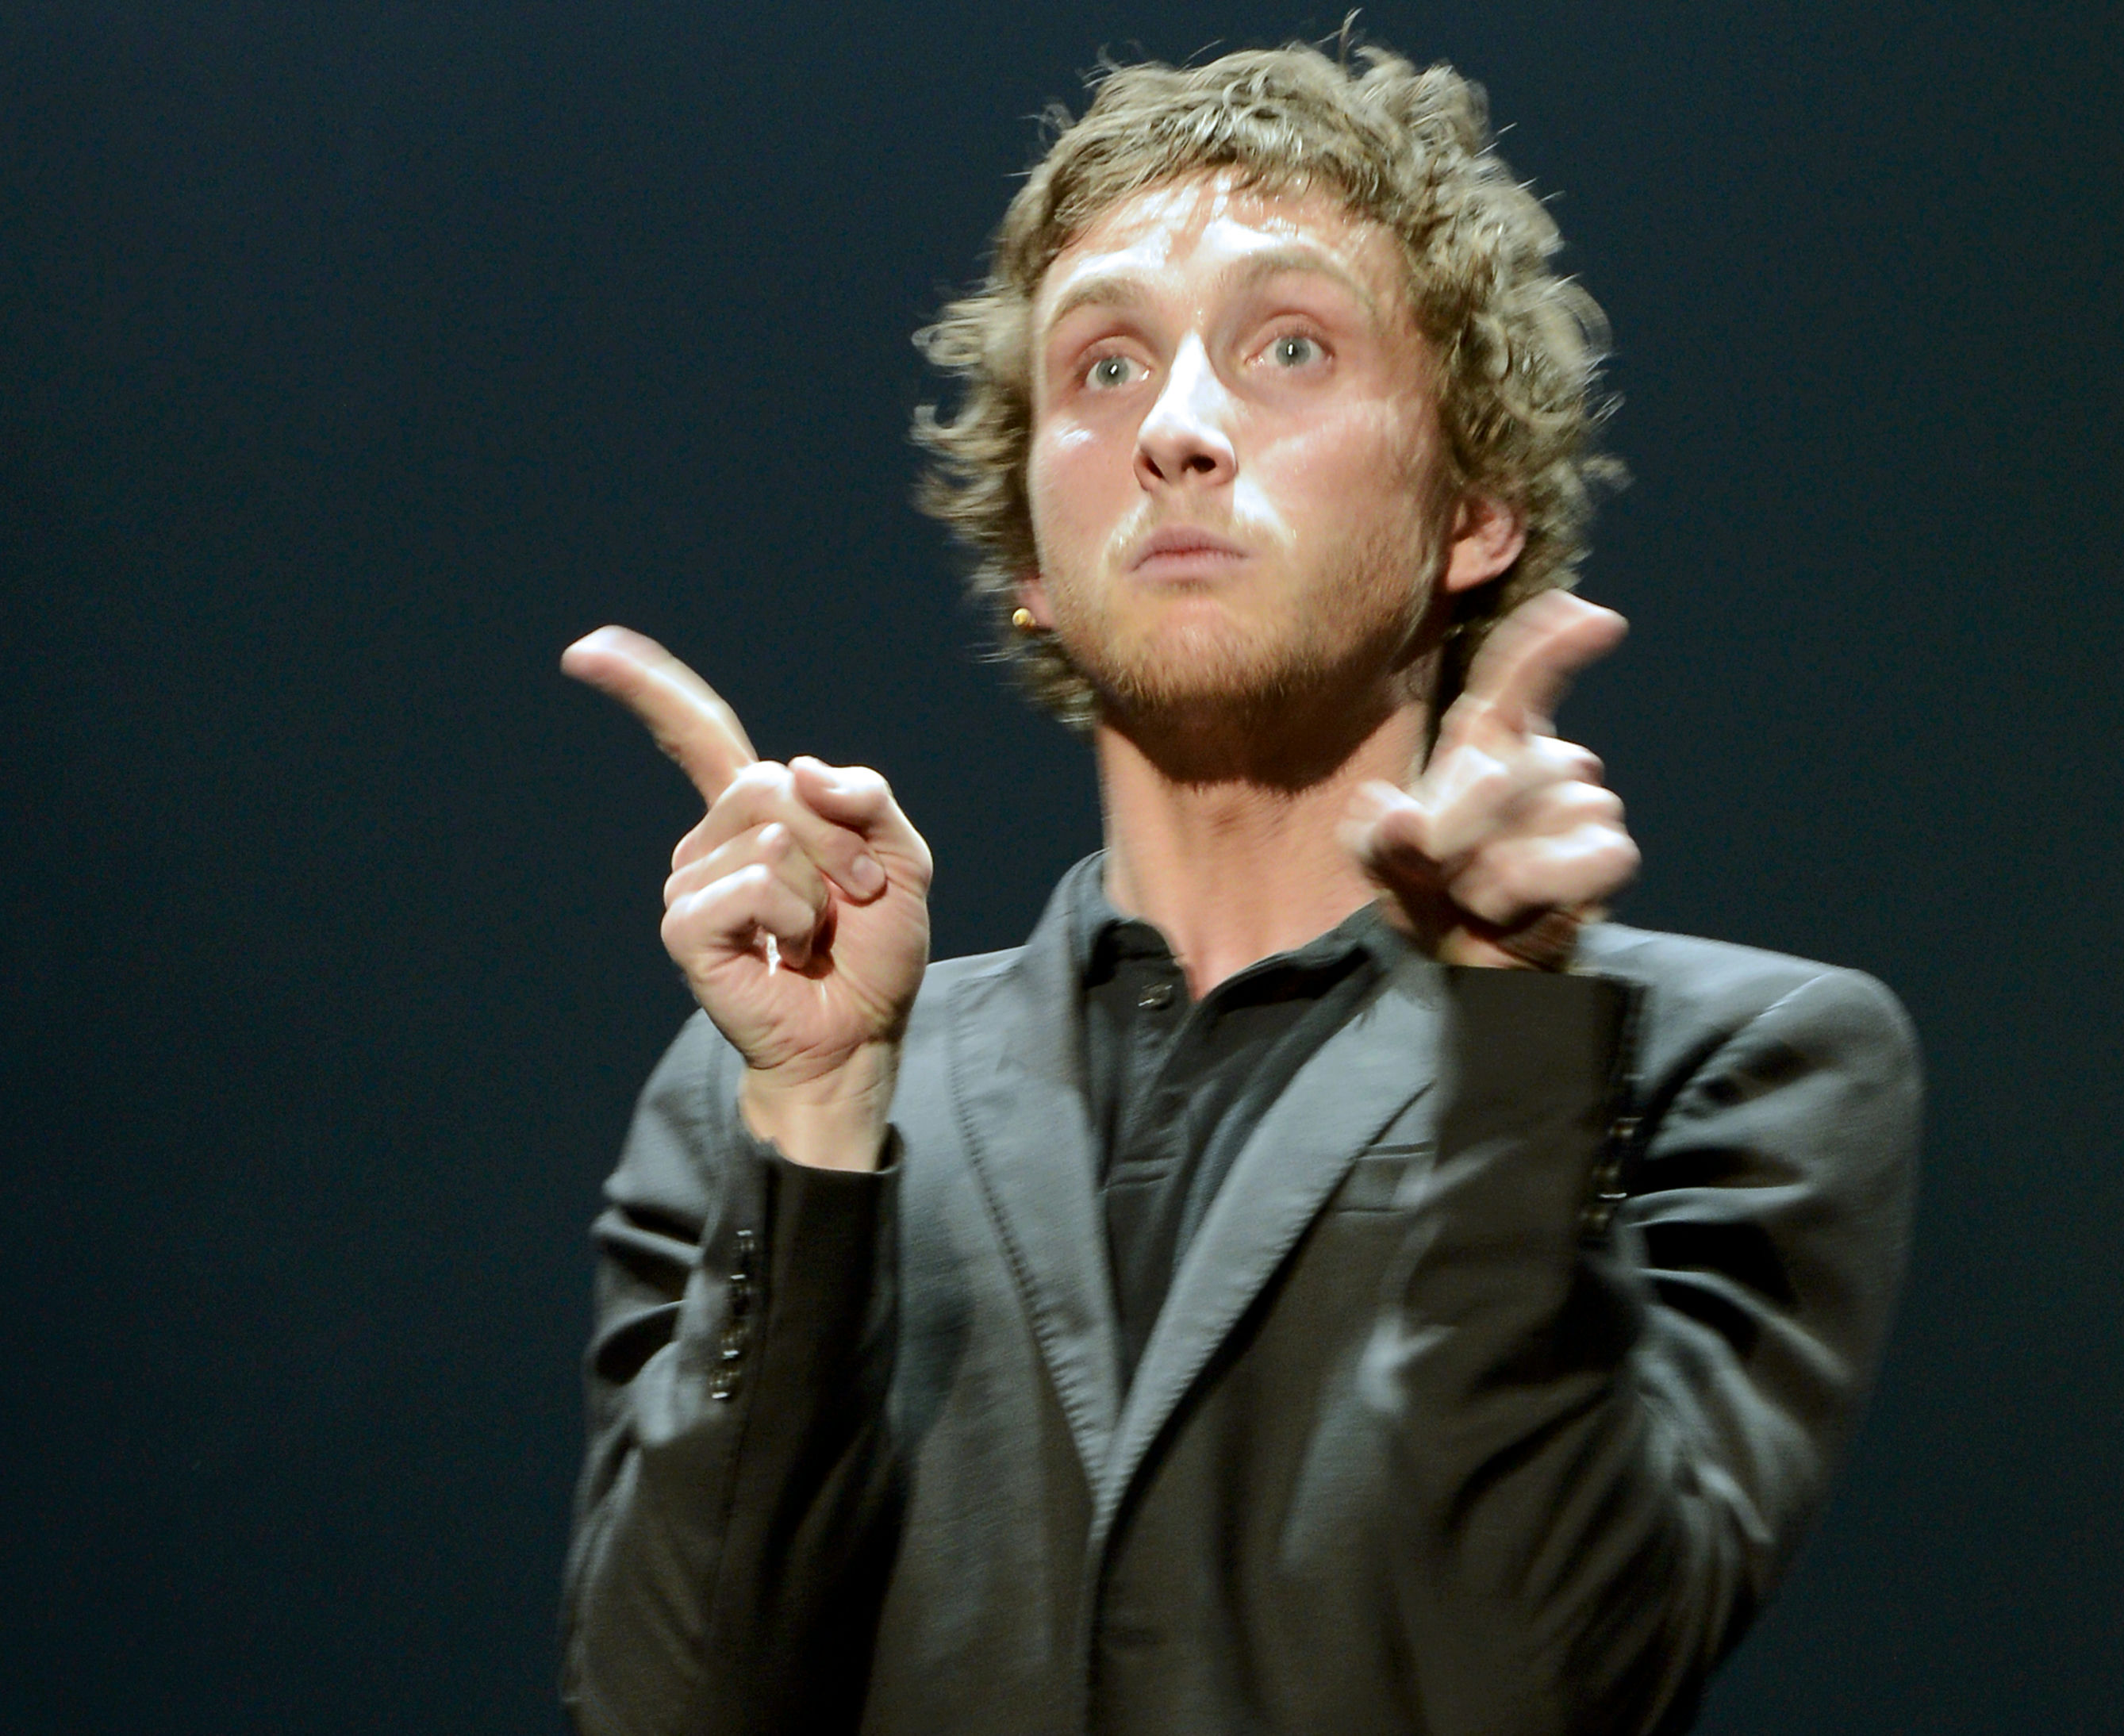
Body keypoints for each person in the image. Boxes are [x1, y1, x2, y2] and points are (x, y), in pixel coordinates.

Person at [556, 42, 1919, 1736]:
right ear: (1032, 562)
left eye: (1290, 347)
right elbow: (671, 1709)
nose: (1181, 431)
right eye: (1106, 366)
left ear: (1474, 506)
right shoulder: (767, 1098)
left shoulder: (1725, 1059)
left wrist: (1516, 1053)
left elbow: (1543, 1680)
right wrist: (821, 1114)